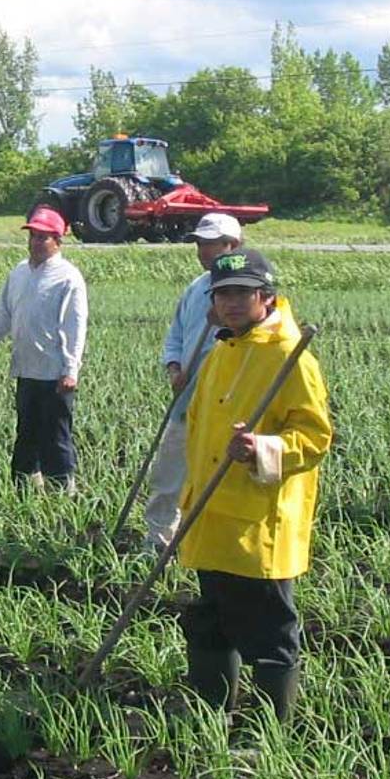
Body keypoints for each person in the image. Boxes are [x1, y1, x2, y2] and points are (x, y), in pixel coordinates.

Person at [177, 249, 332, 724]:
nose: (232, 302)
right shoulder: (221, 351)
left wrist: (261, 449)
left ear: (266, 295)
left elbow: (314, 437)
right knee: (210, 623)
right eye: (223, 293)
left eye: (242, 292)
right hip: (211, 516)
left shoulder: (290, 355)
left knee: (270, 633)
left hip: (257, 521)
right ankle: (211, 717)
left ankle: (269, 730)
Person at [0, 207, 88, 492]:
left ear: (58, 241)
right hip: (26, 370)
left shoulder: (68, 278)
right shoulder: (18, 273)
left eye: (43, 238)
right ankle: (25, 488)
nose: (35, 243)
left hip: (55, 375)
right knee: (26, 433)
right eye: (33, 236)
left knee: (56, 436)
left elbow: (74, 328)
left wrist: (70, 370)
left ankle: (64, 492)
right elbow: (2, 317)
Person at [143, 213, 242, 553]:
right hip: (186, 402)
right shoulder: (196, 289)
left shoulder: (246, 296)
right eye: (200, 243)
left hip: (225, 409)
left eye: (211, 244)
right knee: (167, 477)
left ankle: (203, 548)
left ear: (233, 246)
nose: (203, 250)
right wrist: (174, 368)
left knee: (213, 482)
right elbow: (175, 339)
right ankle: (157, 545)